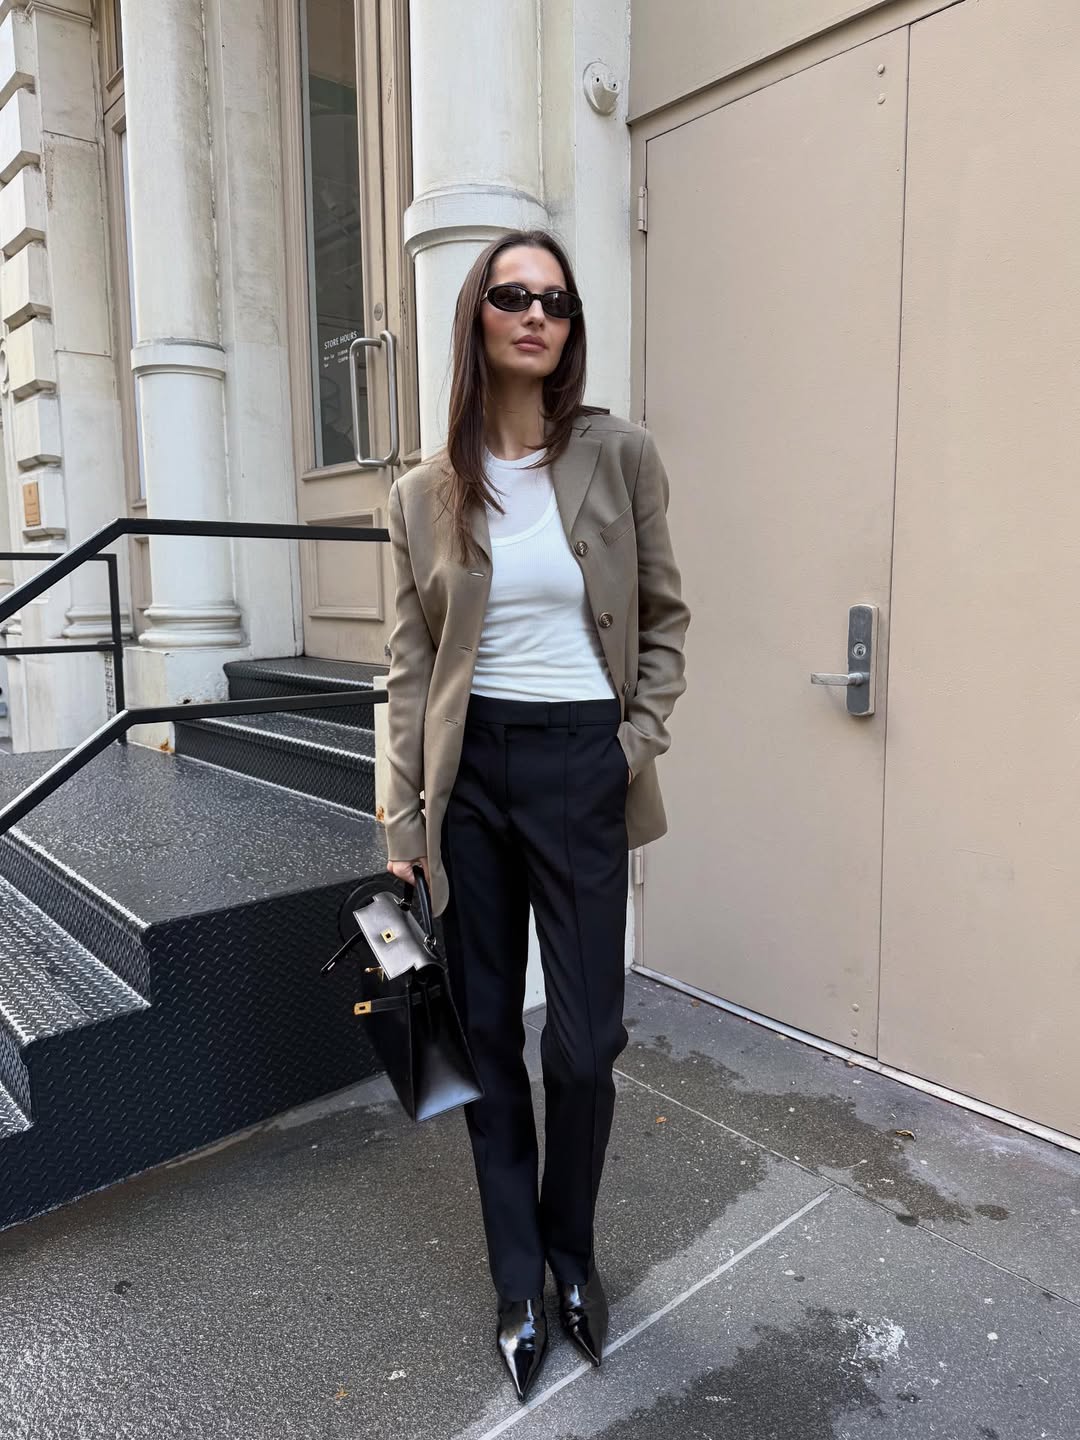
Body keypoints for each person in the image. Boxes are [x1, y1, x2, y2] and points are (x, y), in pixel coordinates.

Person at [383, 228, 689, 1402]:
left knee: (585, 1041)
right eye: (512, 295)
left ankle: (575, 1253)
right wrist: (402, 831)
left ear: (569, 326)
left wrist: (631, 744)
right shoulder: (422, 491)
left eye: (554, 299)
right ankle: (522, 1282)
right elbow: (406, 674)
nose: (535, 313)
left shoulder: (619, 456)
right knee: (487, 1041)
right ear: (478, 317)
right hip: (468, 785)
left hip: (579, 765)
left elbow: (665, 618)